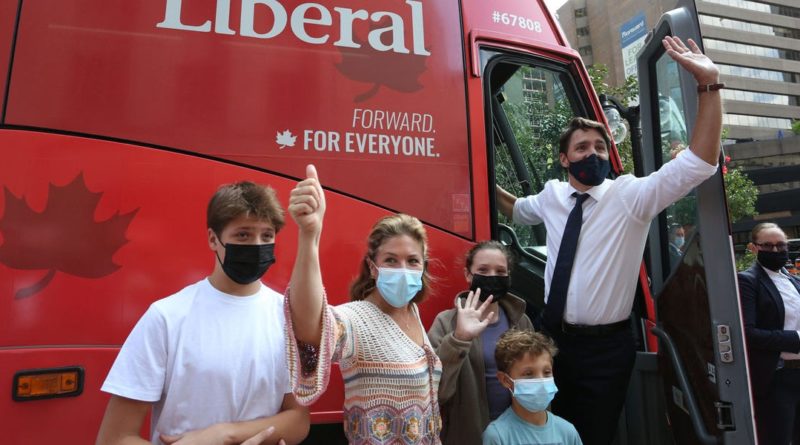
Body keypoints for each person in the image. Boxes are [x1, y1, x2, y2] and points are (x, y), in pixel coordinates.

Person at [495, 36, 722, 445]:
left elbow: (699, 163)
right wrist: (475, 170)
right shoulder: (551, 195)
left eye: (600, 146)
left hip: (605, 350)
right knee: (543, 432)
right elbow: (515, 209)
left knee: (593, 434)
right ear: (564, 159)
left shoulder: (630, 195)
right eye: (581, 148)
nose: (593, 154)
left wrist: (709, 85)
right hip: (551, 340)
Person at [96, 181, 309, 445]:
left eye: (266, 236)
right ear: (212, 239)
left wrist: (223, 435)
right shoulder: (167, 317)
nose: (256, 245)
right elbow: (114, 438)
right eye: (243, 235)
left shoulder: (288, 316)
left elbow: (298, 418)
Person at [284, 165, 442, 444]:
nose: (403, 269)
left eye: (412, 261)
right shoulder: (358, 320)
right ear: (373, 267)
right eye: (391, 260)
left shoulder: (412, 312)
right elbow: (312, 327)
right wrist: (310, 236)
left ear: (422, 267)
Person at [428, 241, 534, 445]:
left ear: (508, 276)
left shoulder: (521, 321)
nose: (492, 276)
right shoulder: (446, 322)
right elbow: (435, 392)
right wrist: (459, 338)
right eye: (483, 270)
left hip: (517, 435)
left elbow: (536, 379)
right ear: (468, 274)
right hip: (469, 436)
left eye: (500, 271)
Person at [738, 222, 800, 445]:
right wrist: (797, 339)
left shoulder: (794, 280)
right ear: (754, 248)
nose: (776, 251)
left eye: (781, 245)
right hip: (777, 379)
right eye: (768, 246)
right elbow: (748, 333)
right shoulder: (747, 281)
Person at [482, 329, 581, 445]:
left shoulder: (567, 432)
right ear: (505, 380)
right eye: (528, 374)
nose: (541, 381)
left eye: (547, 372)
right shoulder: (498, 436)